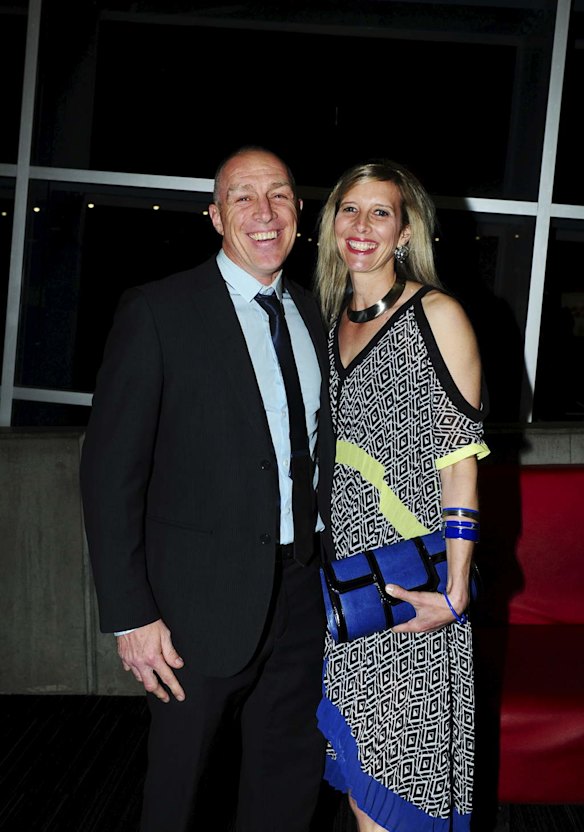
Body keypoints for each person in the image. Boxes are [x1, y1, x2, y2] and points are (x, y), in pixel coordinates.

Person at [79, 145, 334, 832]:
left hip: (303, 595)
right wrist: (131, 614)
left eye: (279, 195)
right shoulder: (159, 312)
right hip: (193, 608)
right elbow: (109, 475)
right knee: (179, 795)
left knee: (286, 783)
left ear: (298, 214)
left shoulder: (316, 317)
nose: (263, 211)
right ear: (216, 216)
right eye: (243, 196)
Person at [313, 159, 490, 832]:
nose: (362, 226)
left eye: (380, 212)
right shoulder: (329, 324)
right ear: (332, 223)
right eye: (349, 209)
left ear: (406, 229)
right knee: (363, 777)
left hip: (412, 588)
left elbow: (459, 461)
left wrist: (457, 589)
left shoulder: (437, 316)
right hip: (347, 588)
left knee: (401, 780)